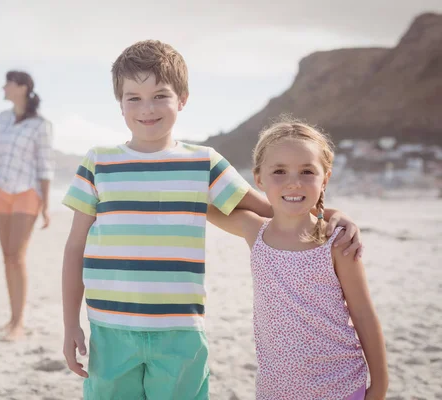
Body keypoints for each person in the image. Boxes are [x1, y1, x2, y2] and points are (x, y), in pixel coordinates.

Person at [60, 40, 364, 399]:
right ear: (120, 103)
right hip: (109, 326)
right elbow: (76, 245)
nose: (147, 108)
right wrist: (70, 324)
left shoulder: (203, 162)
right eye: (134, 98)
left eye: (160, 95)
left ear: (182, 99)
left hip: (180, 331)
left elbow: (272, 207)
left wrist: (333, 214)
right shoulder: (98, 163)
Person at [208, 119, 388, 399]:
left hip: (339, 387)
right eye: (279, 171)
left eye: (307, 171)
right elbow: (202, 202)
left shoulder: (337, 242)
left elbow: (363, 315)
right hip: (274, 390)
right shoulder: (254, 231)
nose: (294, 182)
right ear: (259, 178)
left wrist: (380, 385)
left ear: (325, 178)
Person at [0, 71, 54, 341]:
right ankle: (12, 318)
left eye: (8, 82)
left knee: (17, 255)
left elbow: (45, 165)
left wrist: (45, 205)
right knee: (7, 256)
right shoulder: (2, 119)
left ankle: (19, 323)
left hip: (28, 192)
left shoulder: (40, 125)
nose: (3, 86)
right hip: (4, 191)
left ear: (22, 88)